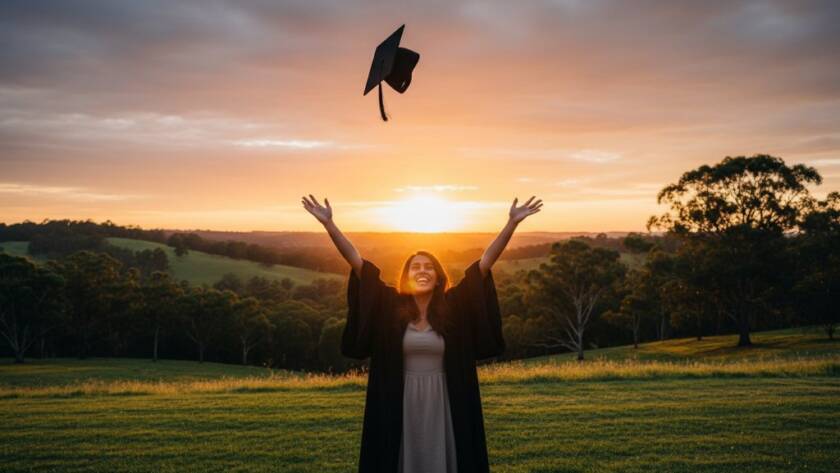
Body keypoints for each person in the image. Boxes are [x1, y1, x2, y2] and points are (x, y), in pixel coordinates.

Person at [301, 194, 542, 473]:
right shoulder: (390, 305)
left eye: (429, 267)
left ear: (439, 276)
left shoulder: (454, 306)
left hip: (445, 397)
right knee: (402, 458)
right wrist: (329, 225)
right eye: (416, 267)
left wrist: (511, 223)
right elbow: (358, 265)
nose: (423, 271)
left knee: (445, 457)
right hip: (399, 397)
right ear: (407, 275)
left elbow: (483, 266)